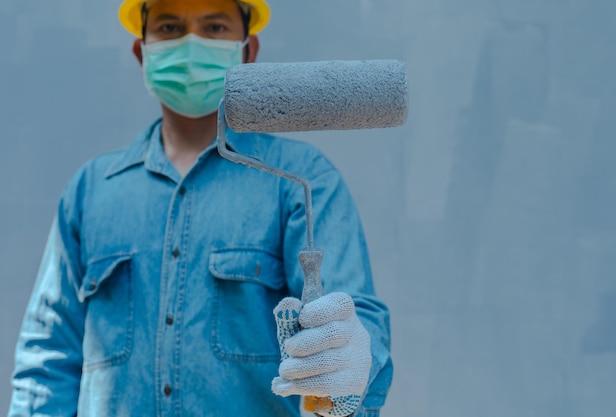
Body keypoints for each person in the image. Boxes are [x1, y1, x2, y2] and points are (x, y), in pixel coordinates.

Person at [8, 0, 392, 416]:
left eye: (214, 27)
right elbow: (47, 358)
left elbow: (350, 320)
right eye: (170, 27)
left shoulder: (301, 180)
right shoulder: (90, 191)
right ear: (142, 53)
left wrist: (350, 380)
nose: (192, 44)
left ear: (249, 50)